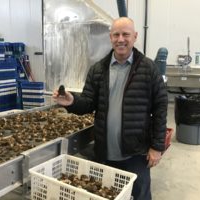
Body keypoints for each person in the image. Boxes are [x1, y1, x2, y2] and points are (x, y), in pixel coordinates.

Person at [53, 17, 168, 200]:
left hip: (136, 153)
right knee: (107, 194)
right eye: (116, 34)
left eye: (125, 34)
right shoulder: (98, 69)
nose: (120, 39)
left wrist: (156, 147)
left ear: (135, 36)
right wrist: (72, 101)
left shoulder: (148, 69)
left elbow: (161, 109)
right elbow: (89, 103)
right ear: (110, 37)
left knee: (139, 195)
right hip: (105, 152)